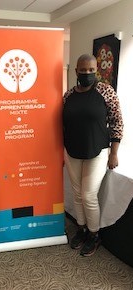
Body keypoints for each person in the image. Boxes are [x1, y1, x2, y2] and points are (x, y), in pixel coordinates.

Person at [63, 54, 123, 257]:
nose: (87, 73)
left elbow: (117, 122)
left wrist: (114, 153)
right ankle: (81, 229)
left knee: (89, 195)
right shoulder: (68, 95)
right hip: (72, 150)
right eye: (83, 70)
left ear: (96, 70)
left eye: (91, 70)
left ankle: (94, 235)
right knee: (77, 194)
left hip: (97, 150)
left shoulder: (106, 91)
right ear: (76, 71)